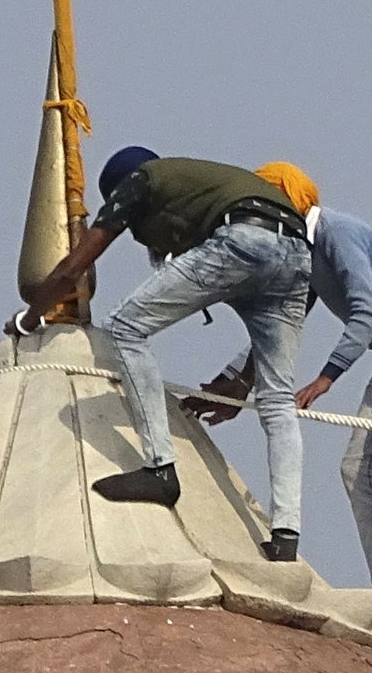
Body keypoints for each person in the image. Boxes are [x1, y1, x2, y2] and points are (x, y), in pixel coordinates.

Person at [23, 147, 313, 559]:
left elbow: (72, 269)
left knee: (126, 327)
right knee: (277, 400)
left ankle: (160, 469)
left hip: (244, 240)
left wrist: (30, 316)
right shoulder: (202, 189)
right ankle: (286, 535)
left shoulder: (141, 180)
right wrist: (243, 377)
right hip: (297, 255)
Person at [234, 163, 372, 625]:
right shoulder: (304, 251)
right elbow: (282, 321)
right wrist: (235, 377)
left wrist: (325, 378)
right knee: (354, 467)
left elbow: (366, 311)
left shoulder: (336, 233)